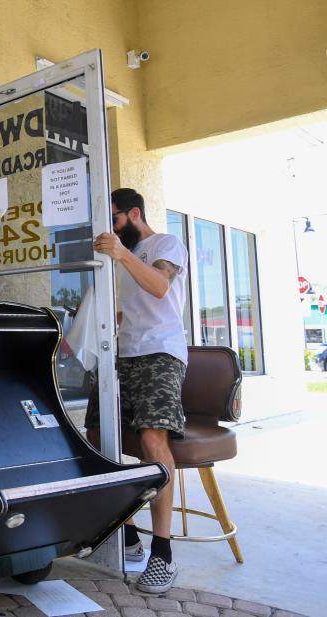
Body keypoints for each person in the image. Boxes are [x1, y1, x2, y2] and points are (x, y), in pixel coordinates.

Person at [89, 187, 189, 594]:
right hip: (123, 353)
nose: (110, 227)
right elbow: (132, 305)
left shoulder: (166, 244)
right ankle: (126, 534)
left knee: (152, 437)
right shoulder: (122, 257)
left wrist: (122, 255)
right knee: (96, 435)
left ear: (133, 213)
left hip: (160, 353)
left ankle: (162, 552)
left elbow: (161, 287)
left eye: (113, 218)